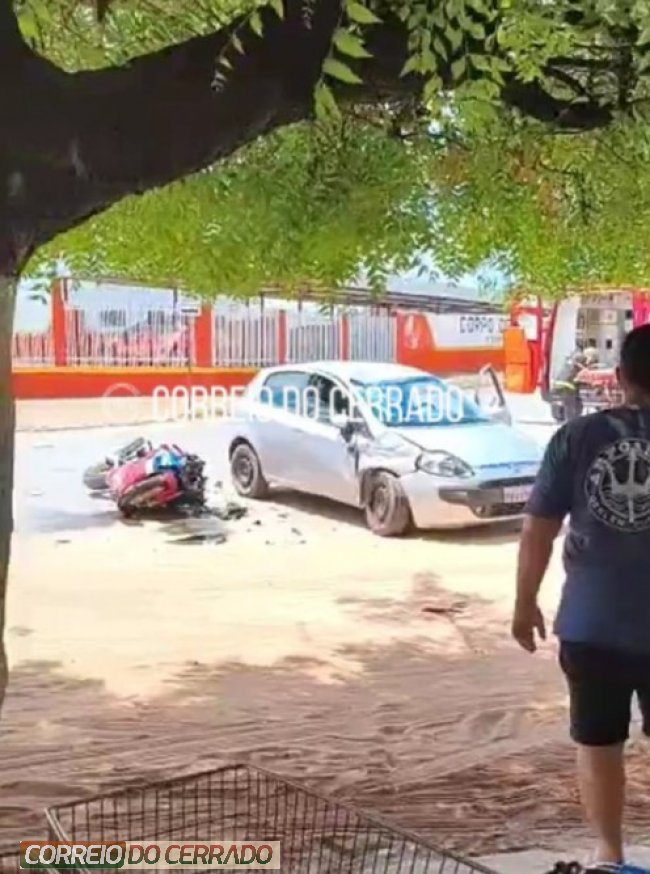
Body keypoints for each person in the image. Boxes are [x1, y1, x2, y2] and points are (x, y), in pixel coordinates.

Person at [512, 323, 650, 874]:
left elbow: (537, 529)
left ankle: (610, 857)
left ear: (620, 377)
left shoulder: (576, 437)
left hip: (592, 623)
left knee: (598, 743)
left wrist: (524, 603)